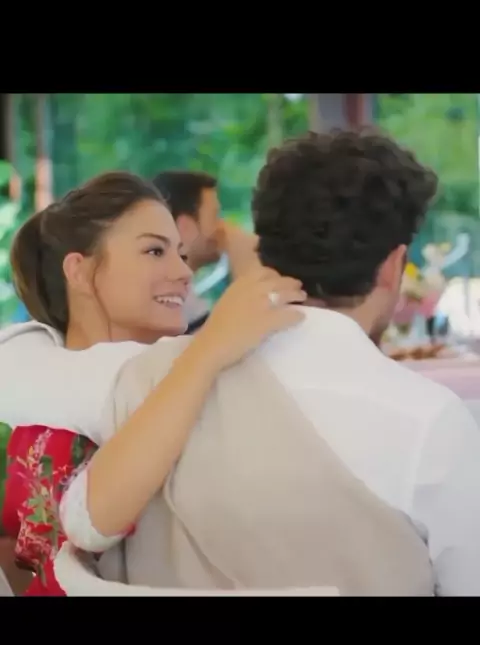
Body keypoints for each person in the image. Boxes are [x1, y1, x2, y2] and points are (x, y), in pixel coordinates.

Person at [69, 130, 480, 596]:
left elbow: (80, 527)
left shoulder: (144, 380)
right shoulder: (429, 423)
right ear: (393, 266)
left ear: (265, 245)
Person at [0, 171, 305, 594]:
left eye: (180, 253)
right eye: (154, 251)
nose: (183, 271)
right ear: (80, 272)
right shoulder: (63, 416)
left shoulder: (38, 392)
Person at [152, 170, 258, 331]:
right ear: (185, 227)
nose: (222, 227)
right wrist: (245, 266)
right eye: (215, 216)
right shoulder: (174, 305)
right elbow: (237, 337)